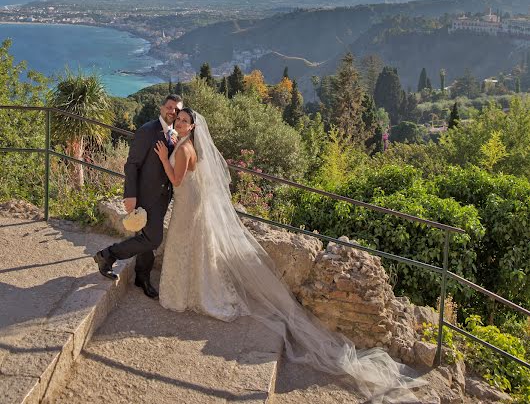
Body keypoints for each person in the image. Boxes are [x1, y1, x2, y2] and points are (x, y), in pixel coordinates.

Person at [154, 108, 422, 403]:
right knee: (191, 246)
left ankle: (184, 293)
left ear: (192, 126)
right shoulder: (190, 145)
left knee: (183, 244)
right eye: (177, 120)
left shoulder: (183, 148)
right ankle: (193, 289)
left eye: (183, 121)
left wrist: (163, 159)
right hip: (193, 203)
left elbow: (177, 180)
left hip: (185, 201)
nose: (179, 123)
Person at [93, 94, 183, 299]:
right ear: (161, 108)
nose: (173, 111)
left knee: (146, 238)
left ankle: (142, 277)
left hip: (162, 197)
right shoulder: (147, 131)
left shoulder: (173, 133)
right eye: (169, 107)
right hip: (144, 196)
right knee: (153, 239)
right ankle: (107, 255)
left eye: (177, 109)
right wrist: (130, 195)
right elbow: (131, 165)